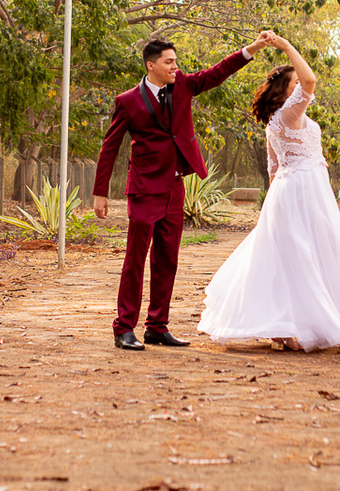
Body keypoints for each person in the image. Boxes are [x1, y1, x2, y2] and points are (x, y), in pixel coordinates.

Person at [197, 34, 340, 352]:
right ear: (285, 89)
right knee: (301, 255)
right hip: (300, 190)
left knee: (299, 255)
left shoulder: (280, 120)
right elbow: (310, 80)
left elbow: (272, 168)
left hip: (298, 189)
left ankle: (291, 325)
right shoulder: (286, 115)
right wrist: (285, 46)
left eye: (297, 81)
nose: (300, 85)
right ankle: (296, 326)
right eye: (293, 81)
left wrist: (271, 208)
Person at [94, 32, 274, 351]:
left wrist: (254, 48)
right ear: (151, 66)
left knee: (168, 260)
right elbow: (109, 149)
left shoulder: (184, 87)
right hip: (144, 189)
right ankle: (124, 328)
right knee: (135, 261)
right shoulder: (127, 101)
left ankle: (157, 327)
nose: (176, 66)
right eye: (169, 62)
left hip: (175, 187)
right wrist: (100, 192)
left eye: (176, 61)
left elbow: (218, 72)